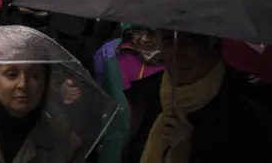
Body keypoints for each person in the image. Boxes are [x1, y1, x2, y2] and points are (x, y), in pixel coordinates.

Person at [124, 30, 272, 163]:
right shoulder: (143, 96)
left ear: (213, 42)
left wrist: (184, 156)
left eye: (190, 42)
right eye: (169, 41)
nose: (177, 53)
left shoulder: (250, 110)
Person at [94, 25, 164, 163]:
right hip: (111, 149)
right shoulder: (109, 52)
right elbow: (95, 99)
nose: (144, 39)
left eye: (152, 32)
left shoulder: (175, 60)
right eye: (138, 31)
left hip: (151, 150)